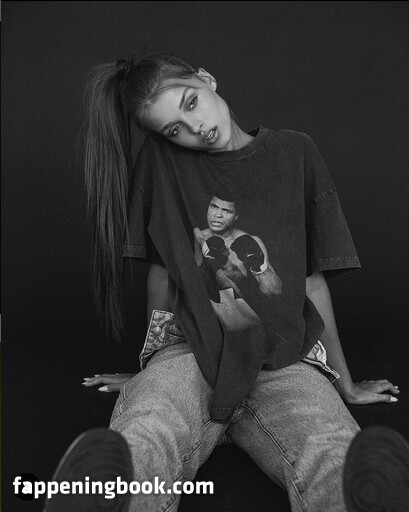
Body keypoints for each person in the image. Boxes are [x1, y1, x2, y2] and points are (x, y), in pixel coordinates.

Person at [48, 51, 407, 511]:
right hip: (192, 353)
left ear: (207, 80)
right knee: (148, 424)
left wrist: (346, 382)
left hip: (284, 359)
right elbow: (163, 270)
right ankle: (107, 498)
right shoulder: (163, 163)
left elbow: (311, 279)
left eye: (190, 103)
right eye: (174, 129)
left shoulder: (294, 152)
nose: (194, 127)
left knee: (330, 444)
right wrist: (150, 367)